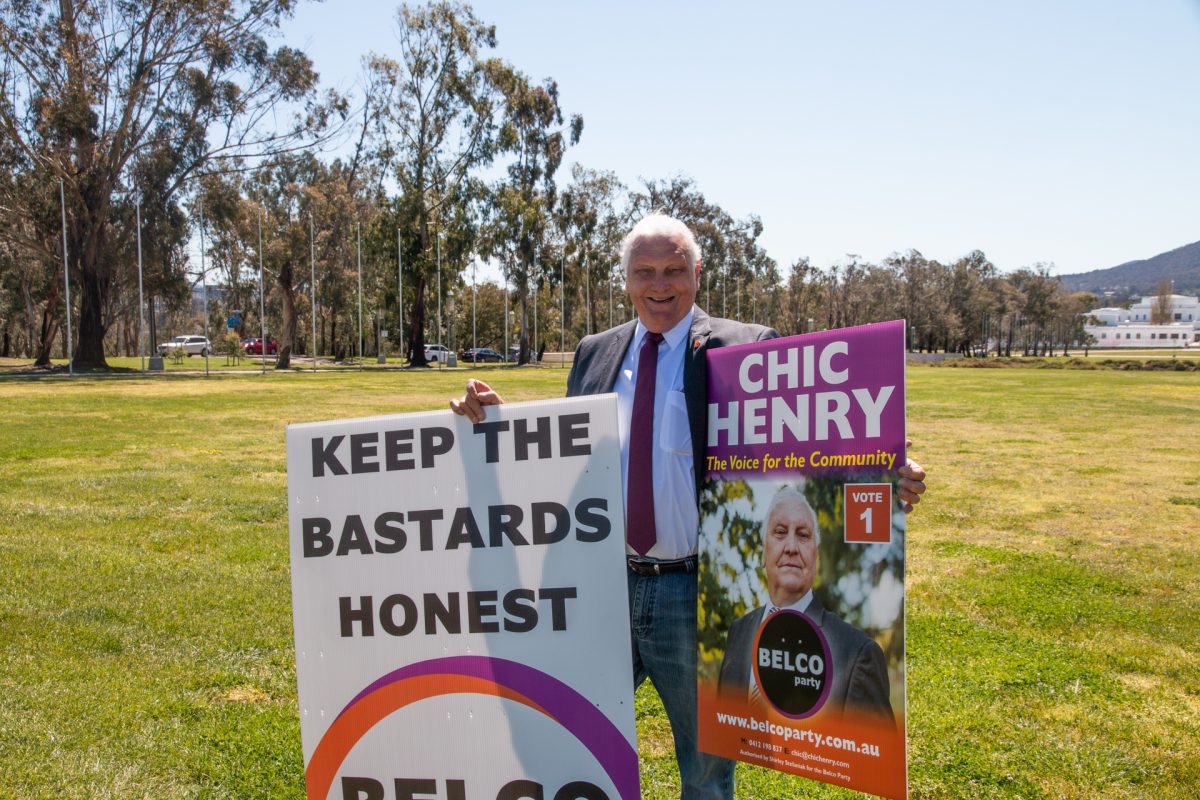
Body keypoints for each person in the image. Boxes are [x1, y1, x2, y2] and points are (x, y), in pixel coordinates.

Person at [452, 213, 926, 799]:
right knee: (571, 738)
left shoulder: (745, 349)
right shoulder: (594, 353)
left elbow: (809, 450)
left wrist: (884, 475)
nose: (660, 284)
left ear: (698, 274)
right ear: (624, 279)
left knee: (705, 769)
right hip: (602, 587)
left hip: (691, 594)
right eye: (645, 271)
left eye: (675, 269)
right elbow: (568, 453)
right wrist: (501, 421)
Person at [717, 486, 893, 723]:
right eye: (780, 532)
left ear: (815, 555)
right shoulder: (739, 632)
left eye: (803, 535)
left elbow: (875, 754)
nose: (791, 547)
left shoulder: (857, 654)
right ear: (763, 552)